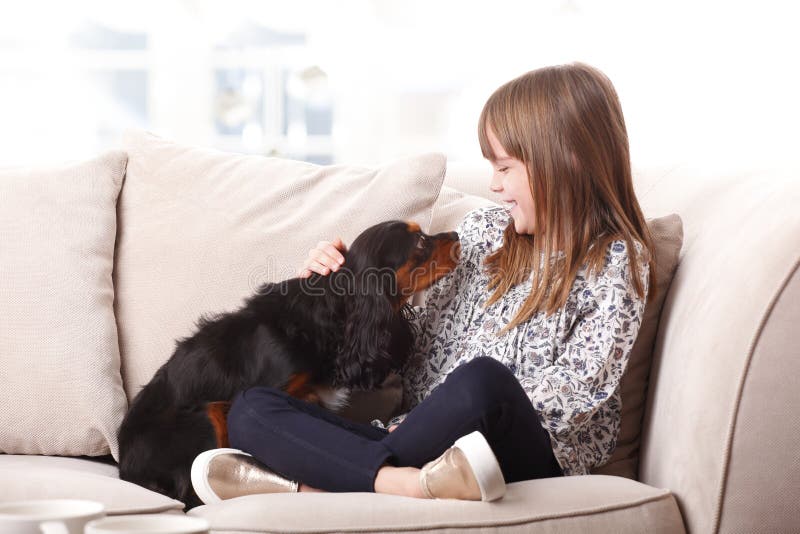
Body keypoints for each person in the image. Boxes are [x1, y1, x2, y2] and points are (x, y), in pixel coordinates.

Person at [190, 62, 655, 504]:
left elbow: (579, 390)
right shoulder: (482, 234)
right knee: (252, 407)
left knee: (483, 382)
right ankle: (405, 484)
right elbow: (416, 354)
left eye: (505, 167)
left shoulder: (616, 259)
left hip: (516, 448)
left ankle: (323, 481)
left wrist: (430, 420)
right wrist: (342, 292)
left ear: (566, 159)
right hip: (413, 443)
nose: (494, 184)